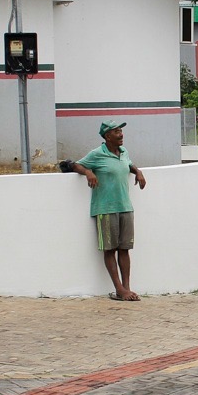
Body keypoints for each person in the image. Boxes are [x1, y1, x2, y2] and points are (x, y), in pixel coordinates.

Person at [62, 121, 146, 301]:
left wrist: (138, 171)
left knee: (125, 249)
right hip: (105, 209)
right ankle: (119, 289)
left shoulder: (124, 152)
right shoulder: (97, 154)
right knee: (110, 249)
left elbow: (129, 164)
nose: (121, 134)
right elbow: (77, 165)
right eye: (117, 132)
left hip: (125, 207)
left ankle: (127, 289)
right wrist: (88, 172)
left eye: (121, 131)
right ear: (107, 136)